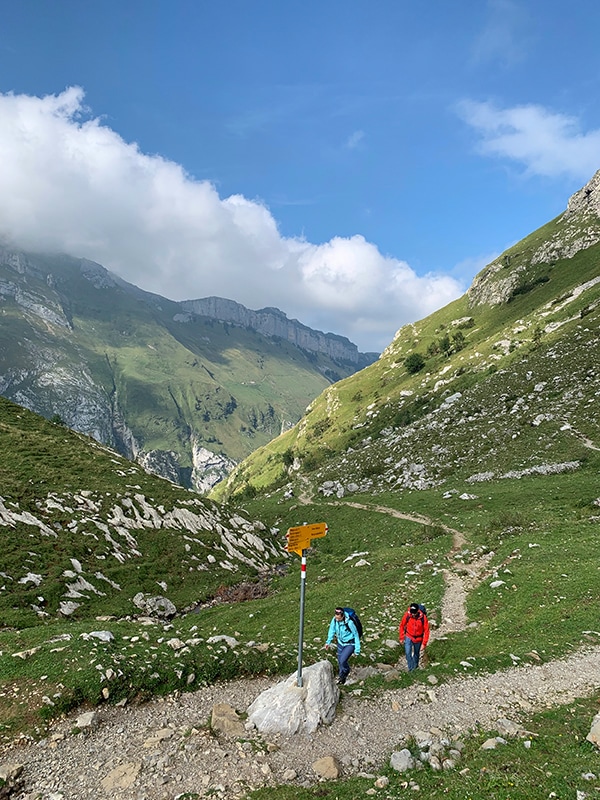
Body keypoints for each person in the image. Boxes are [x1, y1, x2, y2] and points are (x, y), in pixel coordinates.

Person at [324, 606, 361, 684]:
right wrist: (328, 642)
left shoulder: (350, 623)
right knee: (340, 662)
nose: (337, 619)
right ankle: (342, 678)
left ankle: (346, 670)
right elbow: (331, 630)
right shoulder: (334, 620)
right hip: (340, 642)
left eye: (338, 618)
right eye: (336, 617)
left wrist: (357, 649)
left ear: (343, 616)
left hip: (350, 643)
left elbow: (356, 634)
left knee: (342, 660)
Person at [399, 603, 429, 671]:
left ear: (418, 611)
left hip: (418, 638)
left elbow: (426, 631)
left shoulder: (423, 618)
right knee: (407, 652)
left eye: (414, 613)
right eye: (412, 613)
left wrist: (424, 643)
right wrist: (401, 637)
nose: (413, 614)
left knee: (416, 653)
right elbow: (402, 625)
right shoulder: (407, 615)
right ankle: (411, 669)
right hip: (409, 636)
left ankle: (415, 667)